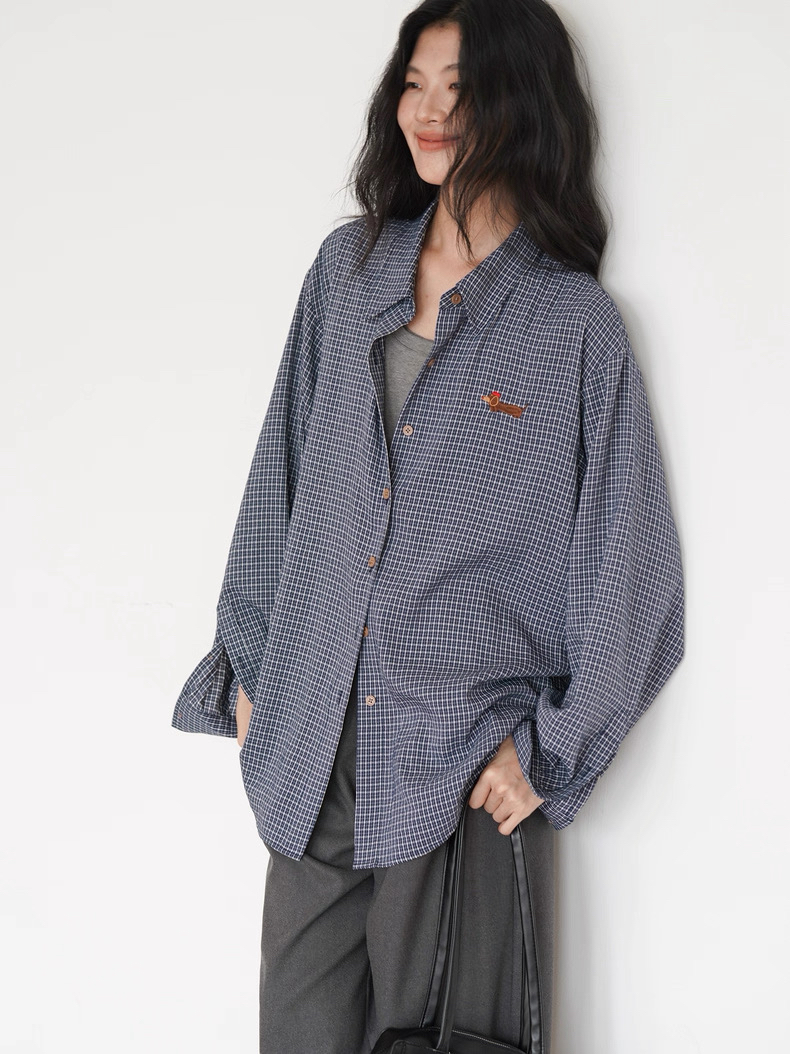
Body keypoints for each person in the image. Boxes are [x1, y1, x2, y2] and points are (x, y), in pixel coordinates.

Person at [171, 1, 685, 1052]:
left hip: (458, 773)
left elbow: (632, 574)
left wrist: (550, 751)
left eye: (461, 88)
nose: (430, 112)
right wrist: (252, 669)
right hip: (313, 745)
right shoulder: (346, 272)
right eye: (414, 84)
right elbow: (278, 478)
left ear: (520, 103)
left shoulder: (573, 328)